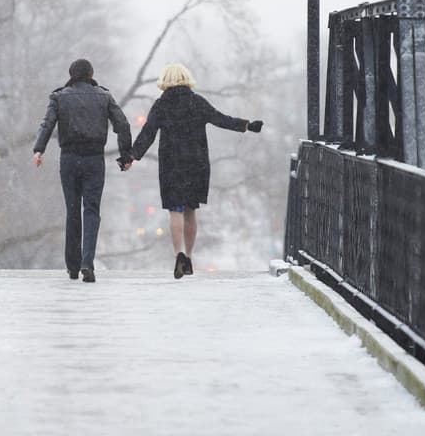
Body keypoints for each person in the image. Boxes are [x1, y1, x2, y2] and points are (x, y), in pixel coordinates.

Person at [131, 63, 262, 279]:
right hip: (196, 163)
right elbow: (221, 119)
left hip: (171, 164)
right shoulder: (197, 102)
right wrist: (247, 125)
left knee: (175, 210)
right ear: (186, 78)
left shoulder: (161, 105)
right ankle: (189, 258)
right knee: (190, 210)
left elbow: (148, 134)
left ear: (165, 81)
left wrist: (131, 156)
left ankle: (179, 255)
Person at [33, 58, 133, 283]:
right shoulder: (104, 96)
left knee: (72, 211)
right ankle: (87, 262)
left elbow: (47, 124)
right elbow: (123, 124)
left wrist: (39, 149)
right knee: (91, 210)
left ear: (71, 74)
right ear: (91, 74)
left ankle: (73, 266)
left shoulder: (59, 97)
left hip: (69, 159)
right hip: (94, 159)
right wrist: (125, 155)